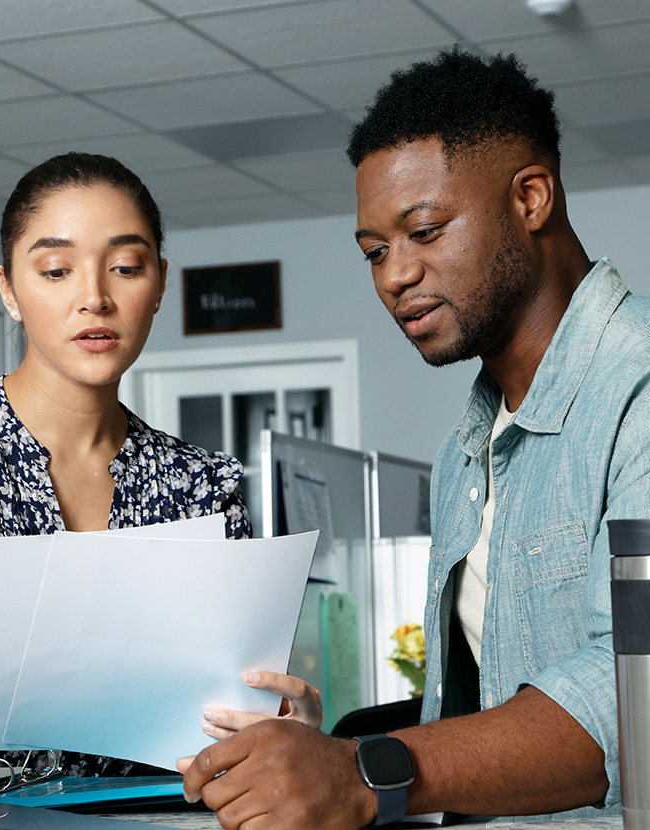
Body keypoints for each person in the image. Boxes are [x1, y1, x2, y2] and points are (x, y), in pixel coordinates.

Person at [178, 48, 650, 827]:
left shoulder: (636, 389)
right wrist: (319, 757)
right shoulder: (467, 447)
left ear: (531, 197)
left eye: (424, 231)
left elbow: (632, 698)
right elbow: (476, 729)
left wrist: (364, 771)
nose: (394, 276)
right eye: (373, 251)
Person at [0, 152, 262, 775]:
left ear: (160, 283)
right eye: (57, 270)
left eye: (125, 267)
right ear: (10, 289)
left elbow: (225, 711)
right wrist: (47, 588)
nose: (94, 297)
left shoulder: (204, 485)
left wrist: (278, 727)